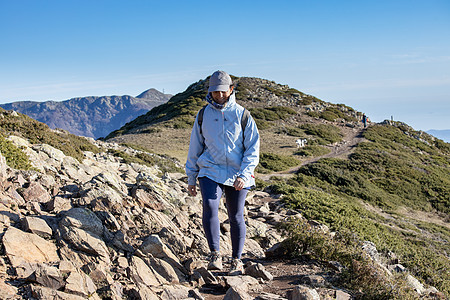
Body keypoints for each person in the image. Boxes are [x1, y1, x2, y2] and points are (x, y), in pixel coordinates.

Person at [185, 70, 260, 275]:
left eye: (222, 91)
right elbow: (195, 147)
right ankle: (215, 254)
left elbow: (253, 148)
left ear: (231, 90)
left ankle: (236, 259)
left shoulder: (242, 115)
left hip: (237, 172)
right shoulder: (203, 115)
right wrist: (192, 176)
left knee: (235, 215)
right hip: (210, 169)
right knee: (209, 206)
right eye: (214, 92)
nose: (218, 96)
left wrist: (244, 175)